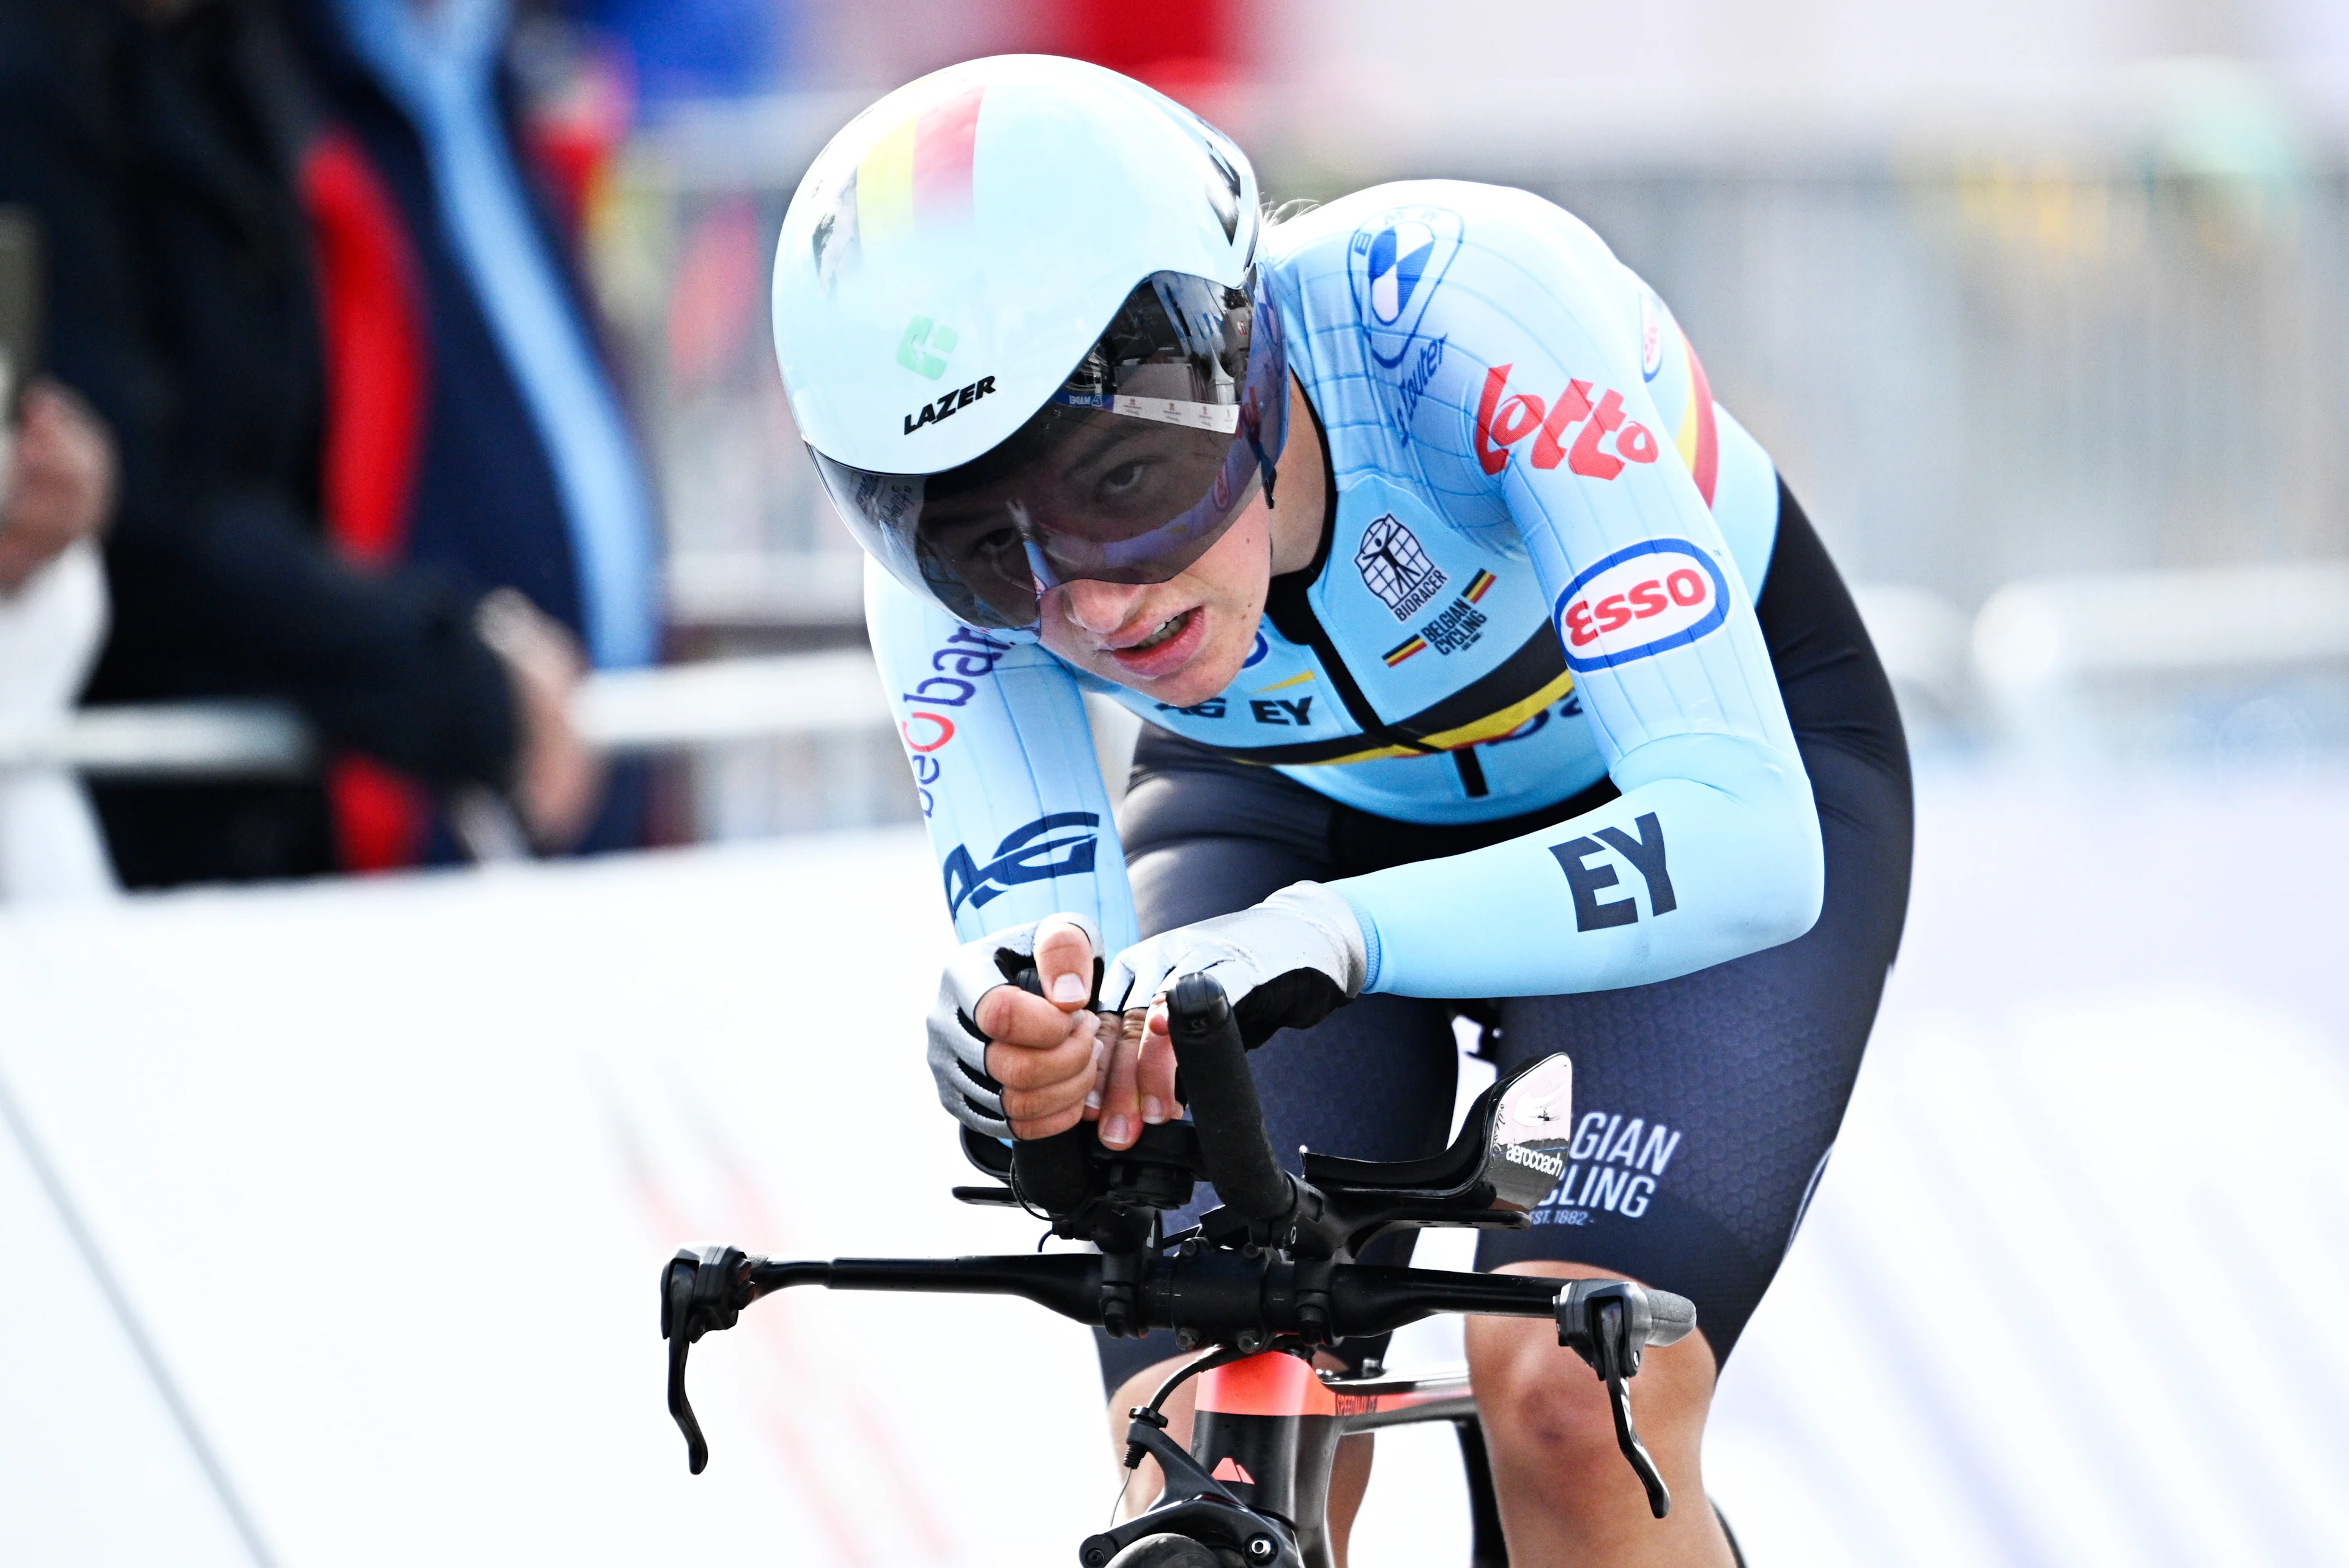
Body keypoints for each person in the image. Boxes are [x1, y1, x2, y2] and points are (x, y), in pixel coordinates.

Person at [771, 58, 1912, 1568]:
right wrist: (1019, 1040)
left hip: (1679, 770)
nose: (1091, 605)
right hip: (1290, 813)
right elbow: (1058, 971)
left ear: (1240, 351)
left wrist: (1343, 932)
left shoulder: (1464, 314)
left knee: (1574, 1399)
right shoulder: (933, 580)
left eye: (1125, 480)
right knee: (1213, 1435)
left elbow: (1744, 841)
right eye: (986, 548)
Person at [0, 0, 608, 886]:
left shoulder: (237, 56)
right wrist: (450, 671)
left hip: (257, 827)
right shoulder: (41, 74)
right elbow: (145, 527)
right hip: (111, 835)